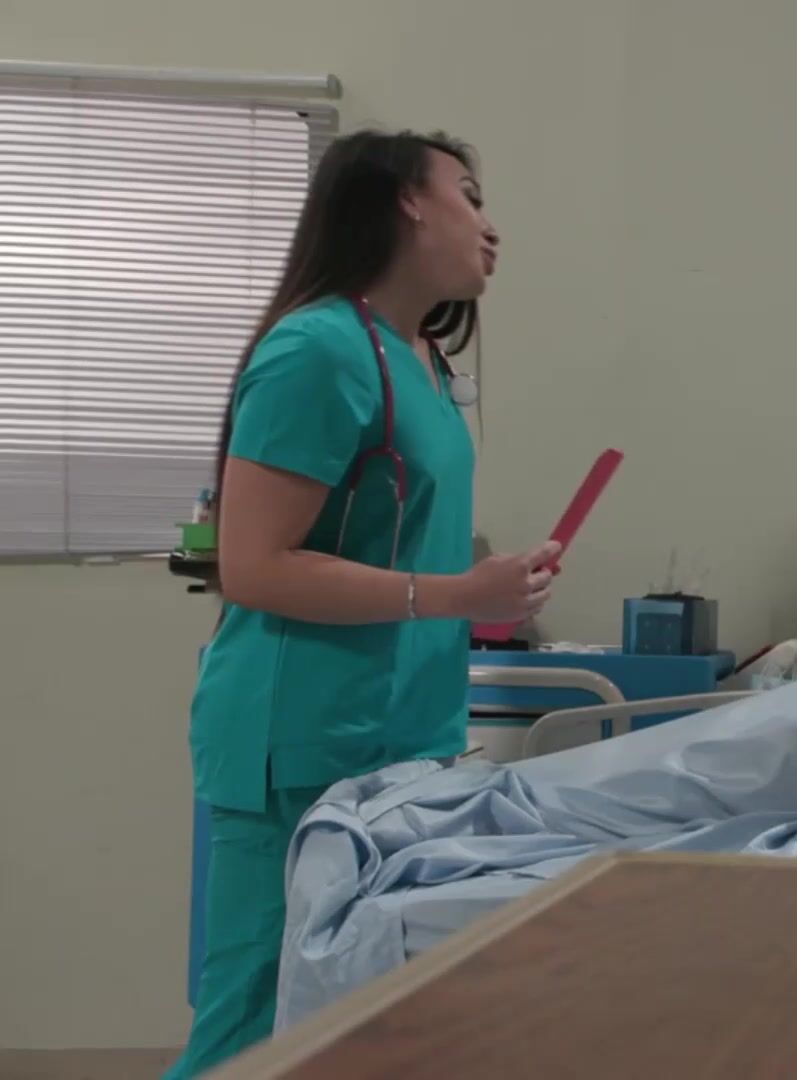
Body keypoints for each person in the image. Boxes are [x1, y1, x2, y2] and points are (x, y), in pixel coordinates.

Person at [167, 130, 563, 1078]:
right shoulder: (317, 350)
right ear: (406, 202)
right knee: (256, 1027)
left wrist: (491, 588)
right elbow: (254, 565)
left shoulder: (419, 359)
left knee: (359, 1026)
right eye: (468, 194)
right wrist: (454, 593)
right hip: (303, 736)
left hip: (403, 736)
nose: (491, 226)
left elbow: (394, 540)